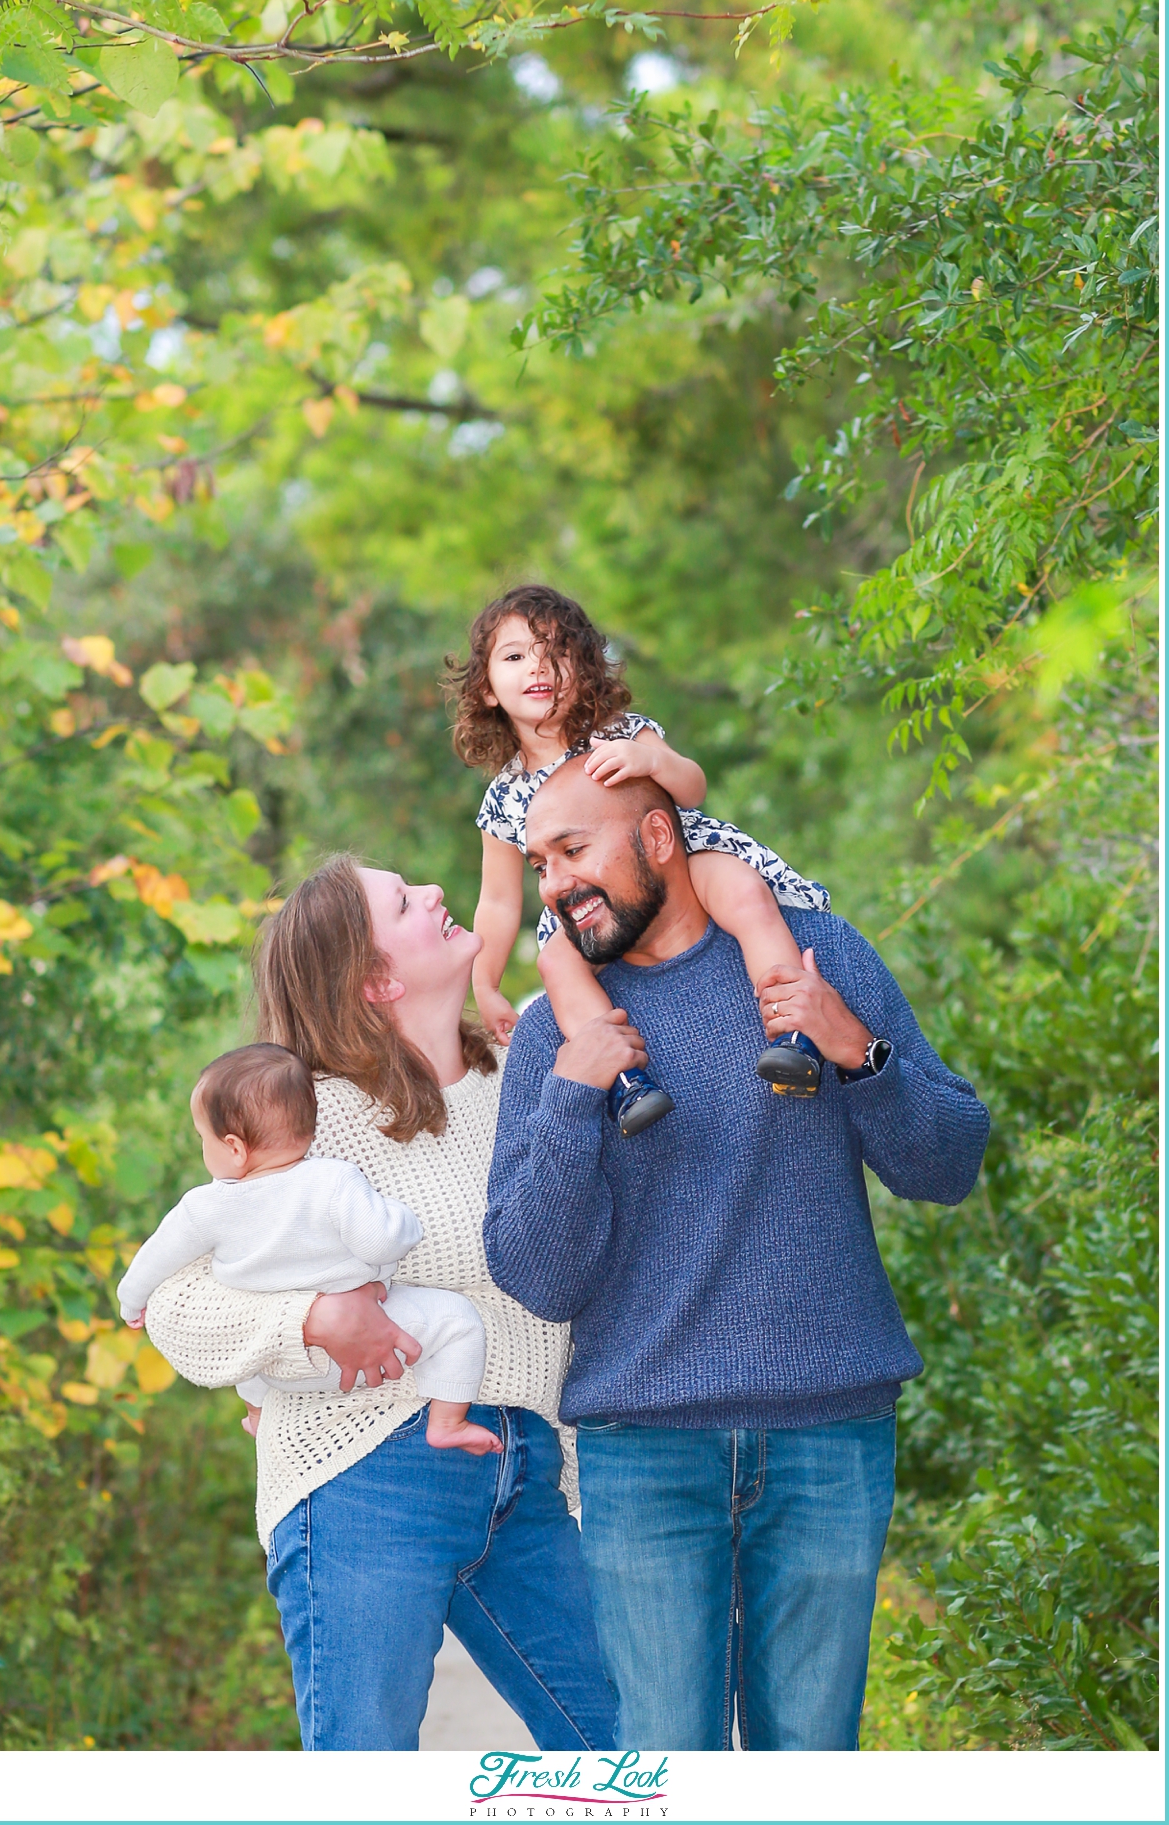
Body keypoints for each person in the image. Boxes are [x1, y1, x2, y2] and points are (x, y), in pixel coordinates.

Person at [483, 758, 991, 1751]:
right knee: (670, 1764)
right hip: (645, 1451)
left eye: (574, 850)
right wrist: (573, 1097)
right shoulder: (557, 1030)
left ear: (659, 839)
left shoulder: (815, 955)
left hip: (828, 1437)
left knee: (809, 1757)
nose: (553, 885)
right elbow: (538, 1276)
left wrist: (861, 1053)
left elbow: (949, 1163)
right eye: (539, 863)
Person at [141, 853, 616, 1753]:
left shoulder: (526, 1073)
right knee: (367, 1772)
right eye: (404, 900)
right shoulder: (308, 1119)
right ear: (376, 978)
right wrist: (307, 1322)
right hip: (368, 1472)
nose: (437, 891)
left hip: (530, 1465)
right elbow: (174, 1299)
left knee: (632, 1752)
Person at [444, 583, 832, 1134]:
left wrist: (648, 759)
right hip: (588, 907)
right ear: (486, 689)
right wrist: (485, 983)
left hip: (684, 856)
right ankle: (626, 1080)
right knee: (557, 961)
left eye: (556, 651)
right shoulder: (505, 797)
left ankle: (795, 1033)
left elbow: (693, 787)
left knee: (745, 894)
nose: (540, 668)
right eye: (515, 656)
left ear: (585, 668)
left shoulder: (621, 732)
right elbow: (500, 901)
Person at [118, 1043, 501, 1456]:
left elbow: (156, 1258)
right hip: (369, 1336)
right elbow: (380, 1241)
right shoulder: (334, 1181)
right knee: (458, 1321)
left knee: (242, 1353)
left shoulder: (203, 1207)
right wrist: (403, 1218)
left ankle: (258, 1415)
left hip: (280, 1359)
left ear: (234, 1147)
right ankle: (448, 1422)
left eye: (202, 1138)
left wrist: (131, 1300)